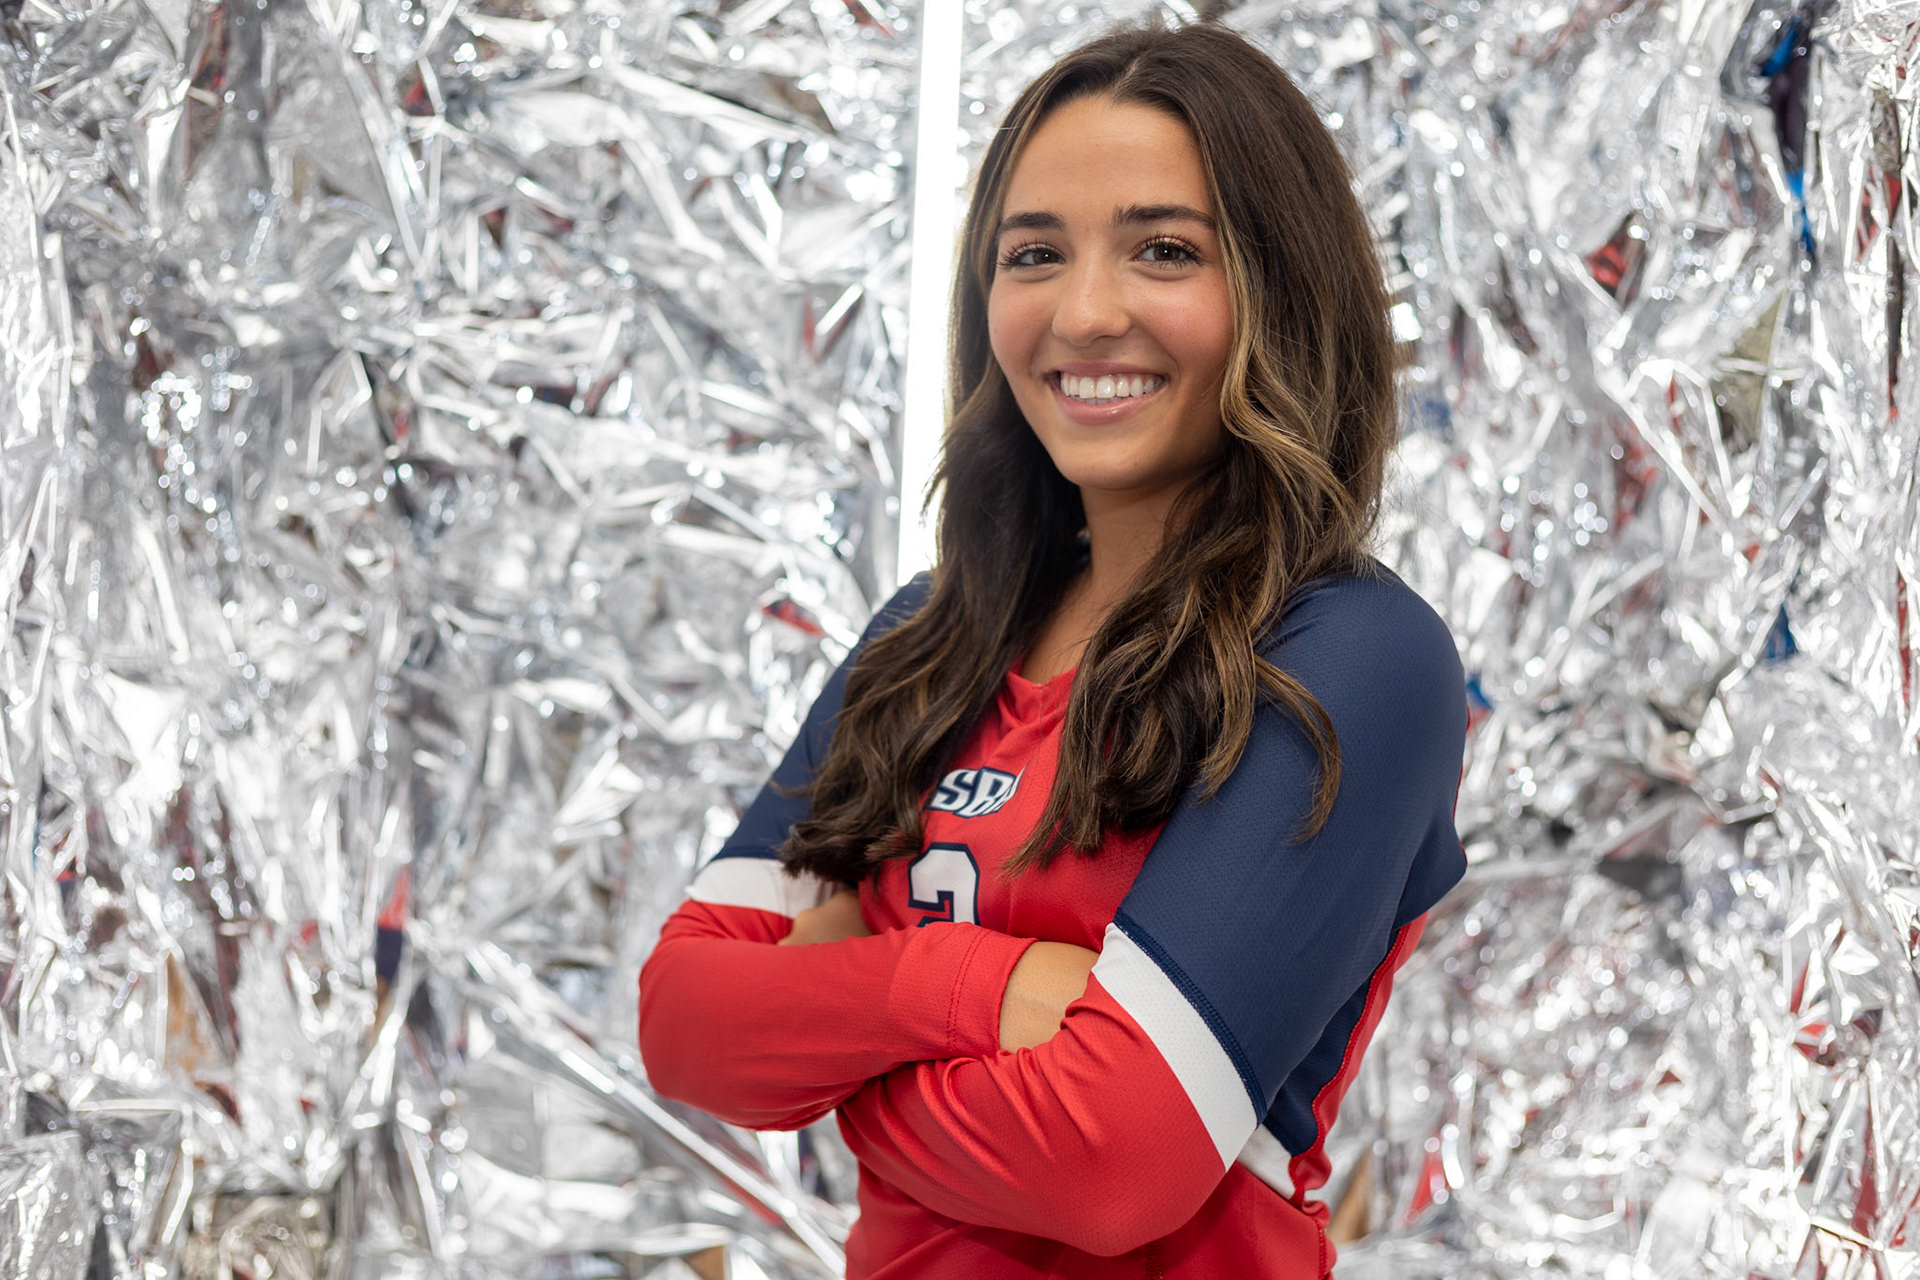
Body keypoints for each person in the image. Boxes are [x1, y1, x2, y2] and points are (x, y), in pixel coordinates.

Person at [638, 21, 1466, 1278]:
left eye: (1164, 250)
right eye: (1036, 254)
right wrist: (969, 987)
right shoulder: (927, 643)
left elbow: (1107, 1157)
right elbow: (686, 1024)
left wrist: (829, 1041)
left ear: (1277, 289)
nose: (1086, 312)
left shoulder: (1348, 652)